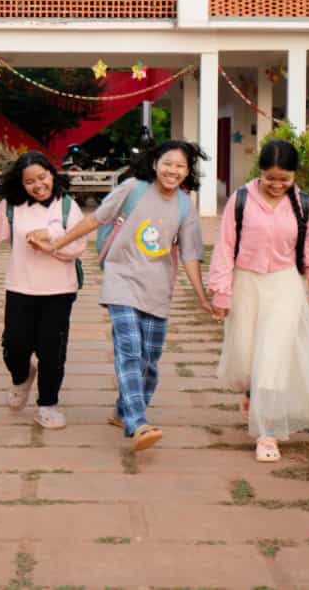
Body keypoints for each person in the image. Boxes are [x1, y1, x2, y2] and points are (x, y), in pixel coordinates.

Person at [32, 140, 214, 451]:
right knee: (129, 351)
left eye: (181, 166)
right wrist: (57, 243)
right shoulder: (133, 188)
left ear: (188, 172)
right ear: (155, 163)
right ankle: (138, 423)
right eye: (168, 163)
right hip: (121, 280)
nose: (173, 170)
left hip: (158, 287)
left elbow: (190, 255)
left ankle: (122, 409)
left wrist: (202, 297)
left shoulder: (185, 206)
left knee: (149, 362)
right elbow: (95, 219)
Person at [208, 138, 309, 462]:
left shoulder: (304, 205)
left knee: (272, 358)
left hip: (284, 286)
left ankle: (268, 432)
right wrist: (221, 295)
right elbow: (224, 249)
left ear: (295, 175)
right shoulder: (240, 200)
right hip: (245, 283)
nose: (277, 185)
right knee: (244, 356)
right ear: (260, 172)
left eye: (285, 179)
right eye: (270, 178)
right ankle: (250, 393)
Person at [0, 152, 84, 429]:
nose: (38, 185)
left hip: (59, 291)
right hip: (20, 287)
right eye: (30, 181)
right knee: (14, 346)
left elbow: (77, 246)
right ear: (21, 184)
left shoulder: (67, 206)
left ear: (53, 174)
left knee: (53, 351)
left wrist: (50, 238)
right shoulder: (11, 206)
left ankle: (48, 404)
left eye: (42, 177)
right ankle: (22, 377)